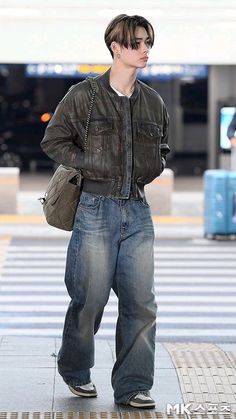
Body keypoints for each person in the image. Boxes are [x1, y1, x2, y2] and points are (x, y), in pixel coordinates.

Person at [41, 13, 170, 409]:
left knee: (141, 303)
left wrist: (151, 168)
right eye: (137, 43)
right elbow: (54, 140)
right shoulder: (85, 96)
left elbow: (162, 150)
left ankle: (132, 386)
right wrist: (91, 163)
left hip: (138, 210)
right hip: (94, 208)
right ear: (116, 47)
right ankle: (75, 370)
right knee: (89, 299)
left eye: (148, 42)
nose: (145, 49)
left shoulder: (153, 101)